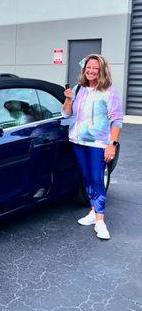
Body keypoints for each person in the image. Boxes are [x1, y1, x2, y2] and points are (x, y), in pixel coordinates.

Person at [62, 54, 123, 240]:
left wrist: (111, 145)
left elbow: (117, 120)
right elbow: (66, 114)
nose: (91, 71)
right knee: (87, 177)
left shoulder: (108, 91)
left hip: (98, 143)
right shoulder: (79, 88)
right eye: (88, 67)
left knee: (97, 178)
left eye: (95, 68)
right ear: (84, 69)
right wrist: (69, 99)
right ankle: (92, 212)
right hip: (78, 141)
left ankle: (100, 221)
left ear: (102, 70)